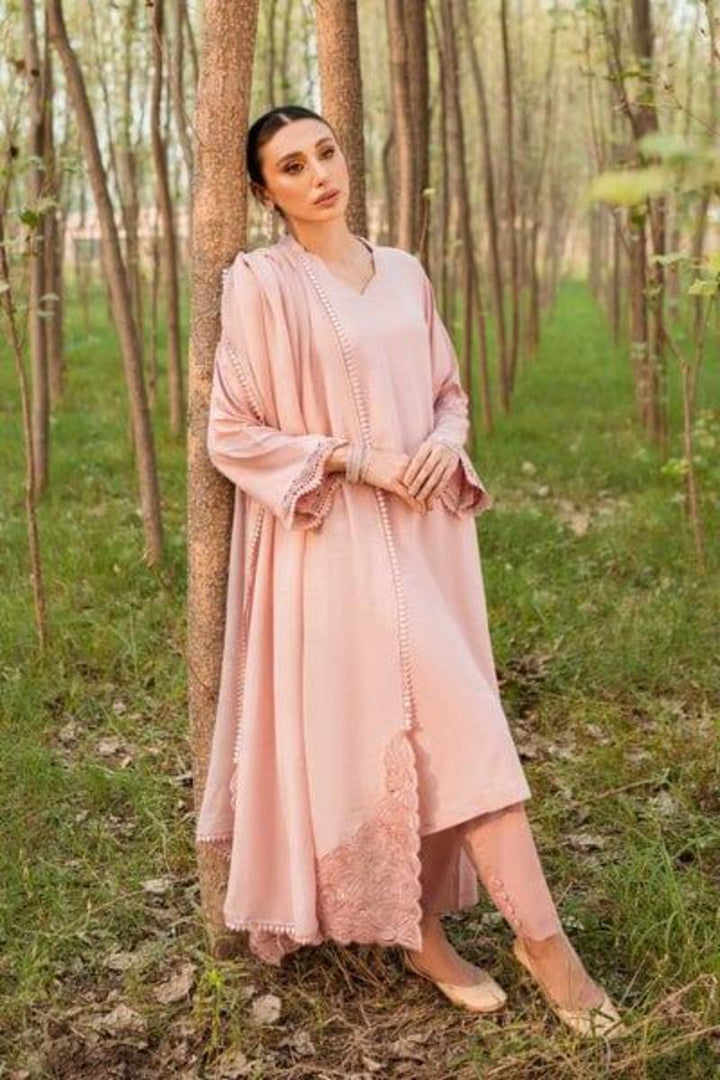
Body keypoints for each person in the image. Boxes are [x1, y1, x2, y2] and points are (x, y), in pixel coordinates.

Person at [195, 104, 628, 1040]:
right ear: (264, 192)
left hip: (426, 538)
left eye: (325, 152)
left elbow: (448, 392)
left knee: (439, 733)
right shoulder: (261, 284)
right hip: (333, 545)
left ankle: (423, 933)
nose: (319, 175)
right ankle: (545, 945)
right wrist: (358, 459)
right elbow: (232, 431)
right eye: (291, 166)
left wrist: (441, 440)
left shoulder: (405, 272)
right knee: (460, 725)